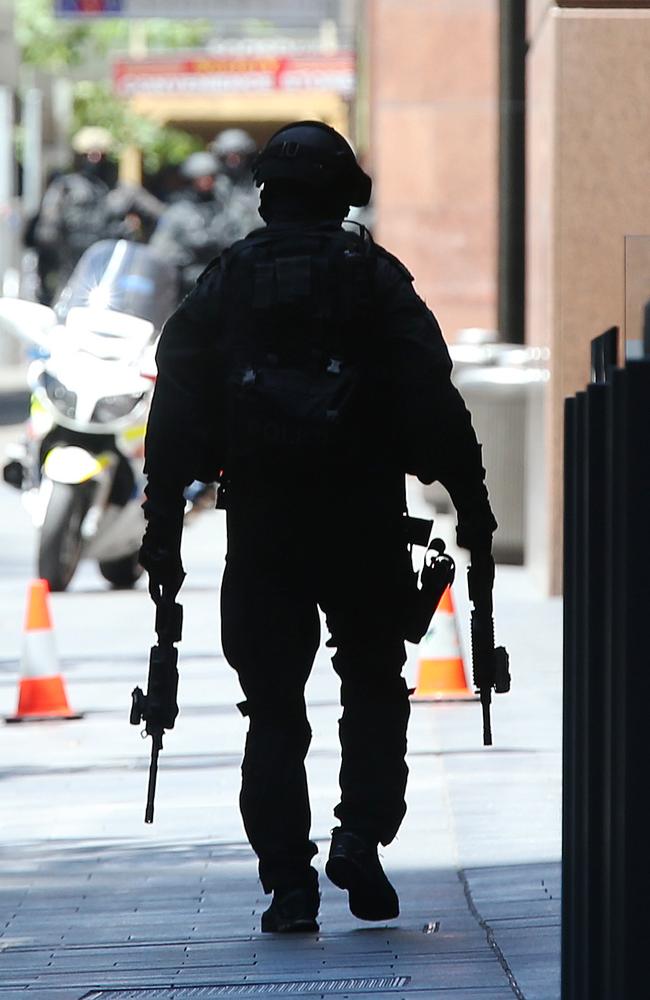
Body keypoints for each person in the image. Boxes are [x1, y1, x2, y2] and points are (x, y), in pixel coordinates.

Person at [139, 121, 497, 934]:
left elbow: (177, 409)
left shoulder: (225, 280)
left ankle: (289, 885)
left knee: (273, 708)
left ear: (265, 194)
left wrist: (162, 526)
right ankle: (361, 837)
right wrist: (472, 502)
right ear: (343, 195)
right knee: (373, 681)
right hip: (363, 521)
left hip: (264, 525)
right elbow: (431, 395)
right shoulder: (373, 276)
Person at [31, 127, 115, 300]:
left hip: (95, 271)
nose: (96, 160)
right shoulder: (64, 187)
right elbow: (46, 232)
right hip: (66, 268)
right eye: (91, 155)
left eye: (100, 155)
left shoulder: (103, 190)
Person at [150, 151, 231, 297]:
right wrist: (185, 253)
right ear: (191, 179)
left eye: (210, 177)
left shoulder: (227, 210)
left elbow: (242, 242)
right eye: (200, 178)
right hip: (186, 286)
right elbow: (160, 248)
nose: (206, 182)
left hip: (222, 283)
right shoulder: (177, 212)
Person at [210, 127, 262, 239]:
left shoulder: (258, 183)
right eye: (228, 156)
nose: (233, 161)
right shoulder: (215, 185)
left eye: (238, 155)